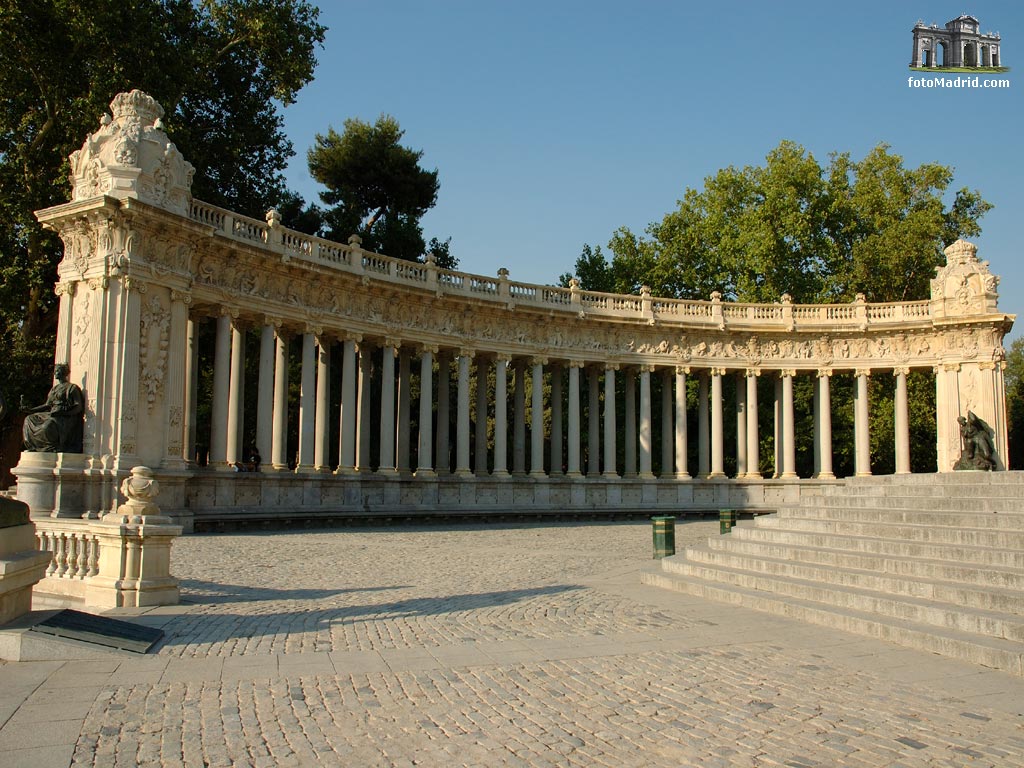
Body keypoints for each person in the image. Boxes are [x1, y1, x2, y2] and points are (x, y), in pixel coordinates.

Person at [21, 363, 85, 453]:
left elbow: (78, 407)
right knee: (29, 419)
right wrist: (30, 410)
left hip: (64, 416)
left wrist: (63, 412)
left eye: (57, 371)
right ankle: (34, 446)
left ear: (63, 372)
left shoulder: (72, 388)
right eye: (55, 371)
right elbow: (47, 405)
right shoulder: (54, 389)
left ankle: (51, 446)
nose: (55, 373)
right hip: (53, 414)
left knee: (48, 425)